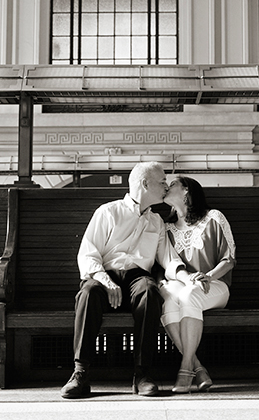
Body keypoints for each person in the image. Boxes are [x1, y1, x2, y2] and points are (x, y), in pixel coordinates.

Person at [60, 162, 187, 399]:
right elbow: (88, 254)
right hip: (103, 276)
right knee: (87, 294)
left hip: (138, 280)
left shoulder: (156, 222)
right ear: (144, 184)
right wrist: (106, 281)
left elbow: (168, 258)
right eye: (162, 182)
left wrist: (186, 277)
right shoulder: (108, 212)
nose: (166, 186)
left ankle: (142, 375)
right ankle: (80, 373)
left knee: (151, 292)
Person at [158, 176, 236, 393]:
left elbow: (229, 260)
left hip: (215, 287)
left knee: (190, 294)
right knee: (169, 300)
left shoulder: (214, 218)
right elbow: (166, 265)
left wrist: (208, 276)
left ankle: (185, 369)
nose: (166, 187)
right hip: (184, 288)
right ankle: (198, 369)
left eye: (171, 184)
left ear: (186, 191)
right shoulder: (167, 228)